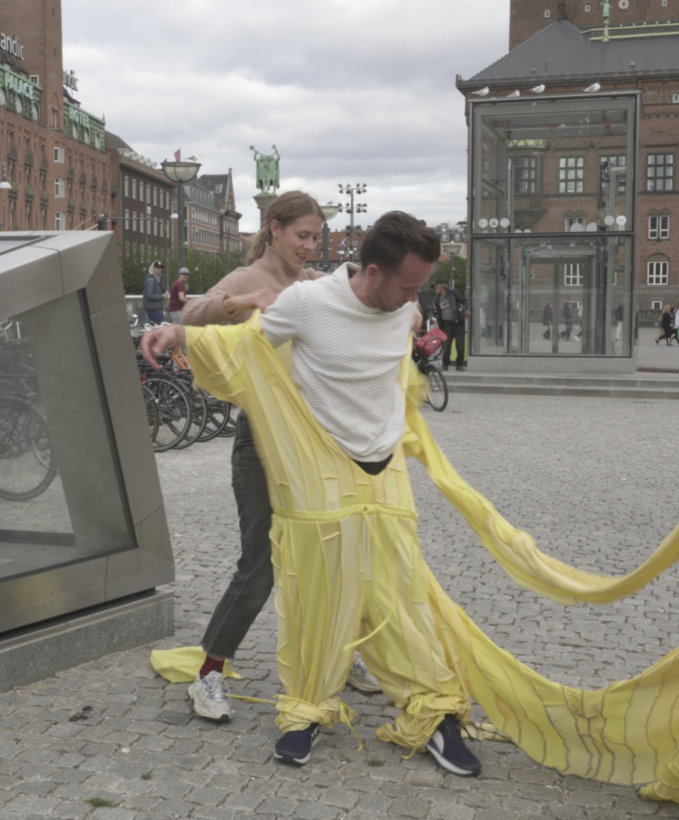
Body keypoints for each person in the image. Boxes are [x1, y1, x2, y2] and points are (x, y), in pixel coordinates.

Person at [143, 212, 482, 776]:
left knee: (400, 589)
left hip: (383, 474)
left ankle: (432, 709)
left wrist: (411, 310)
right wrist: (178, 333)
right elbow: (244, 343)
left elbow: (393, 359)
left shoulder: (401, 308)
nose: (415, 299)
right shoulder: (304, 300)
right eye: (409, 286)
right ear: (374, 272)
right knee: (305, 585)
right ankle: (301, 707)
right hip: (309, 464)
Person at [180, 191, 381, 723]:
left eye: (317, 236)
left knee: (333, 556)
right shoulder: (249, 278)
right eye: (302, 236)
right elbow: (190, 313)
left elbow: (363, 292)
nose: (311, 246)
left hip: (316, 441)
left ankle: (340, 657)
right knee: (260, 566)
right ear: (274, 229)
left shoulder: (314, 282)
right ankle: (208, 675)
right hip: (261, 441)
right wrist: (240, 303)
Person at [432, 279, 470, 371]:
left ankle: (459, 364)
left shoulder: (453, 292)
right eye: (434, 286)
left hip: (458, 323)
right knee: (446, 346)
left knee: (460, 346)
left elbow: (464, 301)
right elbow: (439, 313)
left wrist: (466, 310)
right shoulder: (437, 299)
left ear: (442, 285)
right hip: (447, 324)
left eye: (436, 285)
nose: (435, 287)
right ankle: (445, 364)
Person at [142, 260, 167, 325]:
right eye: (157, 268)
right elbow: (149, 295)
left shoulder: (155, 279)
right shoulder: (151, 280)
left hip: (154, 308)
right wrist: (162, 296)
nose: (159, 270)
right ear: (153, 269)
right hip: (154, 309)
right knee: (160, 327)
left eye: (160, 268)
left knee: (154, 328)